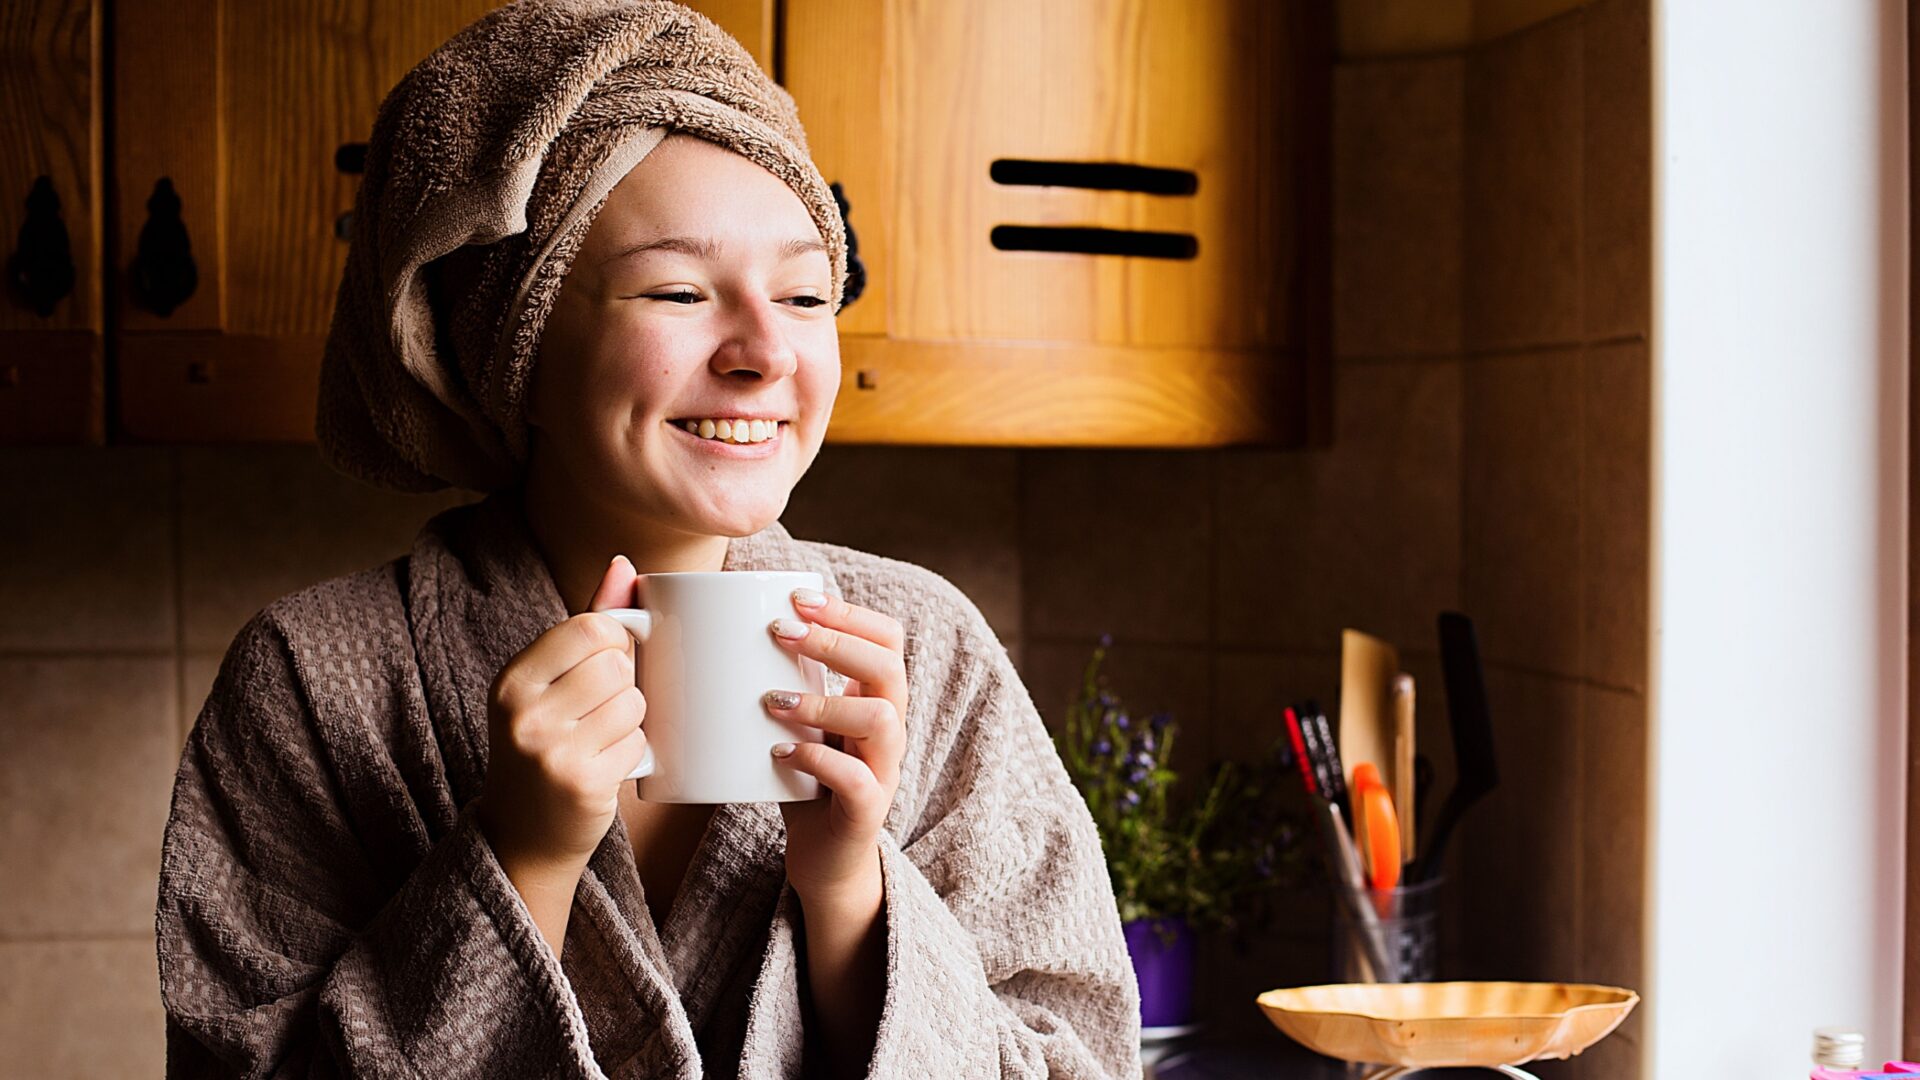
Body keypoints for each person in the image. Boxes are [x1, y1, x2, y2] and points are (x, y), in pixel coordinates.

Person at [153, 2, 1140, 1077]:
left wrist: (851, 891)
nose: (766, 351)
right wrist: (518, 857)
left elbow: (1077, 1061)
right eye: (677, 290)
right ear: (514, 346)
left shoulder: (924, 648)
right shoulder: (314, 678)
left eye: (807, 292)